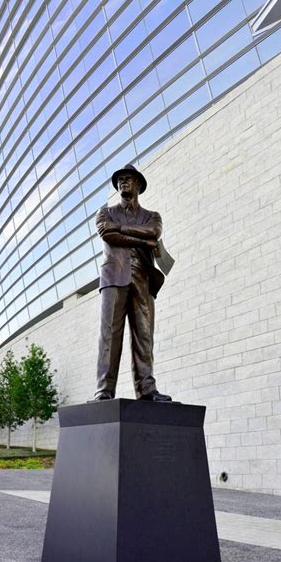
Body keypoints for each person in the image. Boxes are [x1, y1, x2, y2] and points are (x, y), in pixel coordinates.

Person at [93, 164, 173, 402]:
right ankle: (104, 390)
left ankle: (147, 389)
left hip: (143, 278)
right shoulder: (105, 213)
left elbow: (153, 232)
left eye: (129, 179)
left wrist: (124, 230)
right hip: (114, 277)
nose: (123, 182)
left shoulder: (152, 216)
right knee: (109, 334)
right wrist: (140, 238)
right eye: (120, 180)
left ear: (139, 184)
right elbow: (108, 233)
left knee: (144, 335)